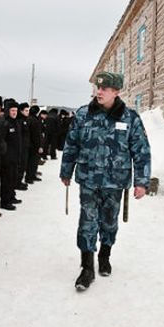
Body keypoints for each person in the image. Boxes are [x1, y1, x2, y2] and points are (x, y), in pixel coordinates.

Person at [60, 72, 151, 291]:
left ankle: (105, 255)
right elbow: (71, 144)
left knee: (109, 222)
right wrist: (66, 171)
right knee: (87, 222)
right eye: (97, 88)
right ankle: (87, 268)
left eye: (105, 89)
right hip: (89, 179)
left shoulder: (130, 118)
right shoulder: (83, 115)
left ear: (116, 92)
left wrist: (142, 181)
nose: (99, 92)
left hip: (115, 181)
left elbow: (141, 151)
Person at [0, 99, 23, 210]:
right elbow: (1, 141)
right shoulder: (5, 123)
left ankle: (11, 196)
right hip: (7, 158)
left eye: (16, 111)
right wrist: (4, 156)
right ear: (8, 111)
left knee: (13, 178)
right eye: (12, 110)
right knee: (6, 180)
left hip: (15, 157)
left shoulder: (16, 122)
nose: (14, 113)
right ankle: (5, 201)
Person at [25, 105, 43, 184]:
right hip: (34, 145)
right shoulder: (35, 120)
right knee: (33, 162)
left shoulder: (28, 119)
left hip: (29, 144)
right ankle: (30, 177)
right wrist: (39, 146)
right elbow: (36, 135)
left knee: (30, 162)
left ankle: (31, 176)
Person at [16, 102, 31, 191]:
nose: (27, 112)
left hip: (25, 146)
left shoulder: (25, 120)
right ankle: (17, 183)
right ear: (21, 111)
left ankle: (19, 181)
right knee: (20, 166)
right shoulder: (20, 120)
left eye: (28, 110)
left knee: (23, 165)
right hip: (21, 147)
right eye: (26, 110)